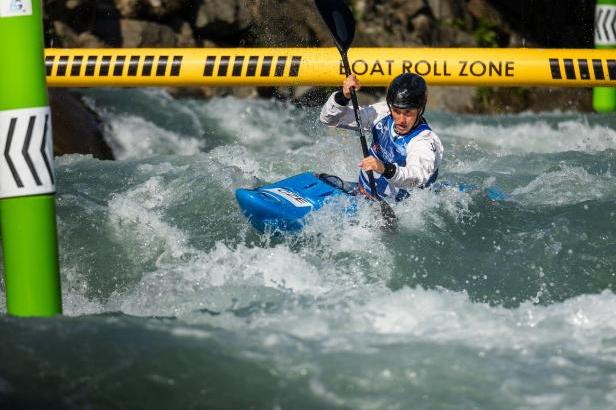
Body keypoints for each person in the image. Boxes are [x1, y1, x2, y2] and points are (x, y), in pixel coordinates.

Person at [319, 73, 443, 201]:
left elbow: (416, 177)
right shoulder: (382, 113)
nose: (401, 120)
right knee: (316, 178)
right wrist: (343, 97)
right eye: (397, 111)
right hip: (360, 194)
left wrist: (383, 168)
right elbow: (328, 119)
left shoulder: (424, 141)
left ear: (420, 109)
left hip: (396, 210)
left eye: (408, 112)